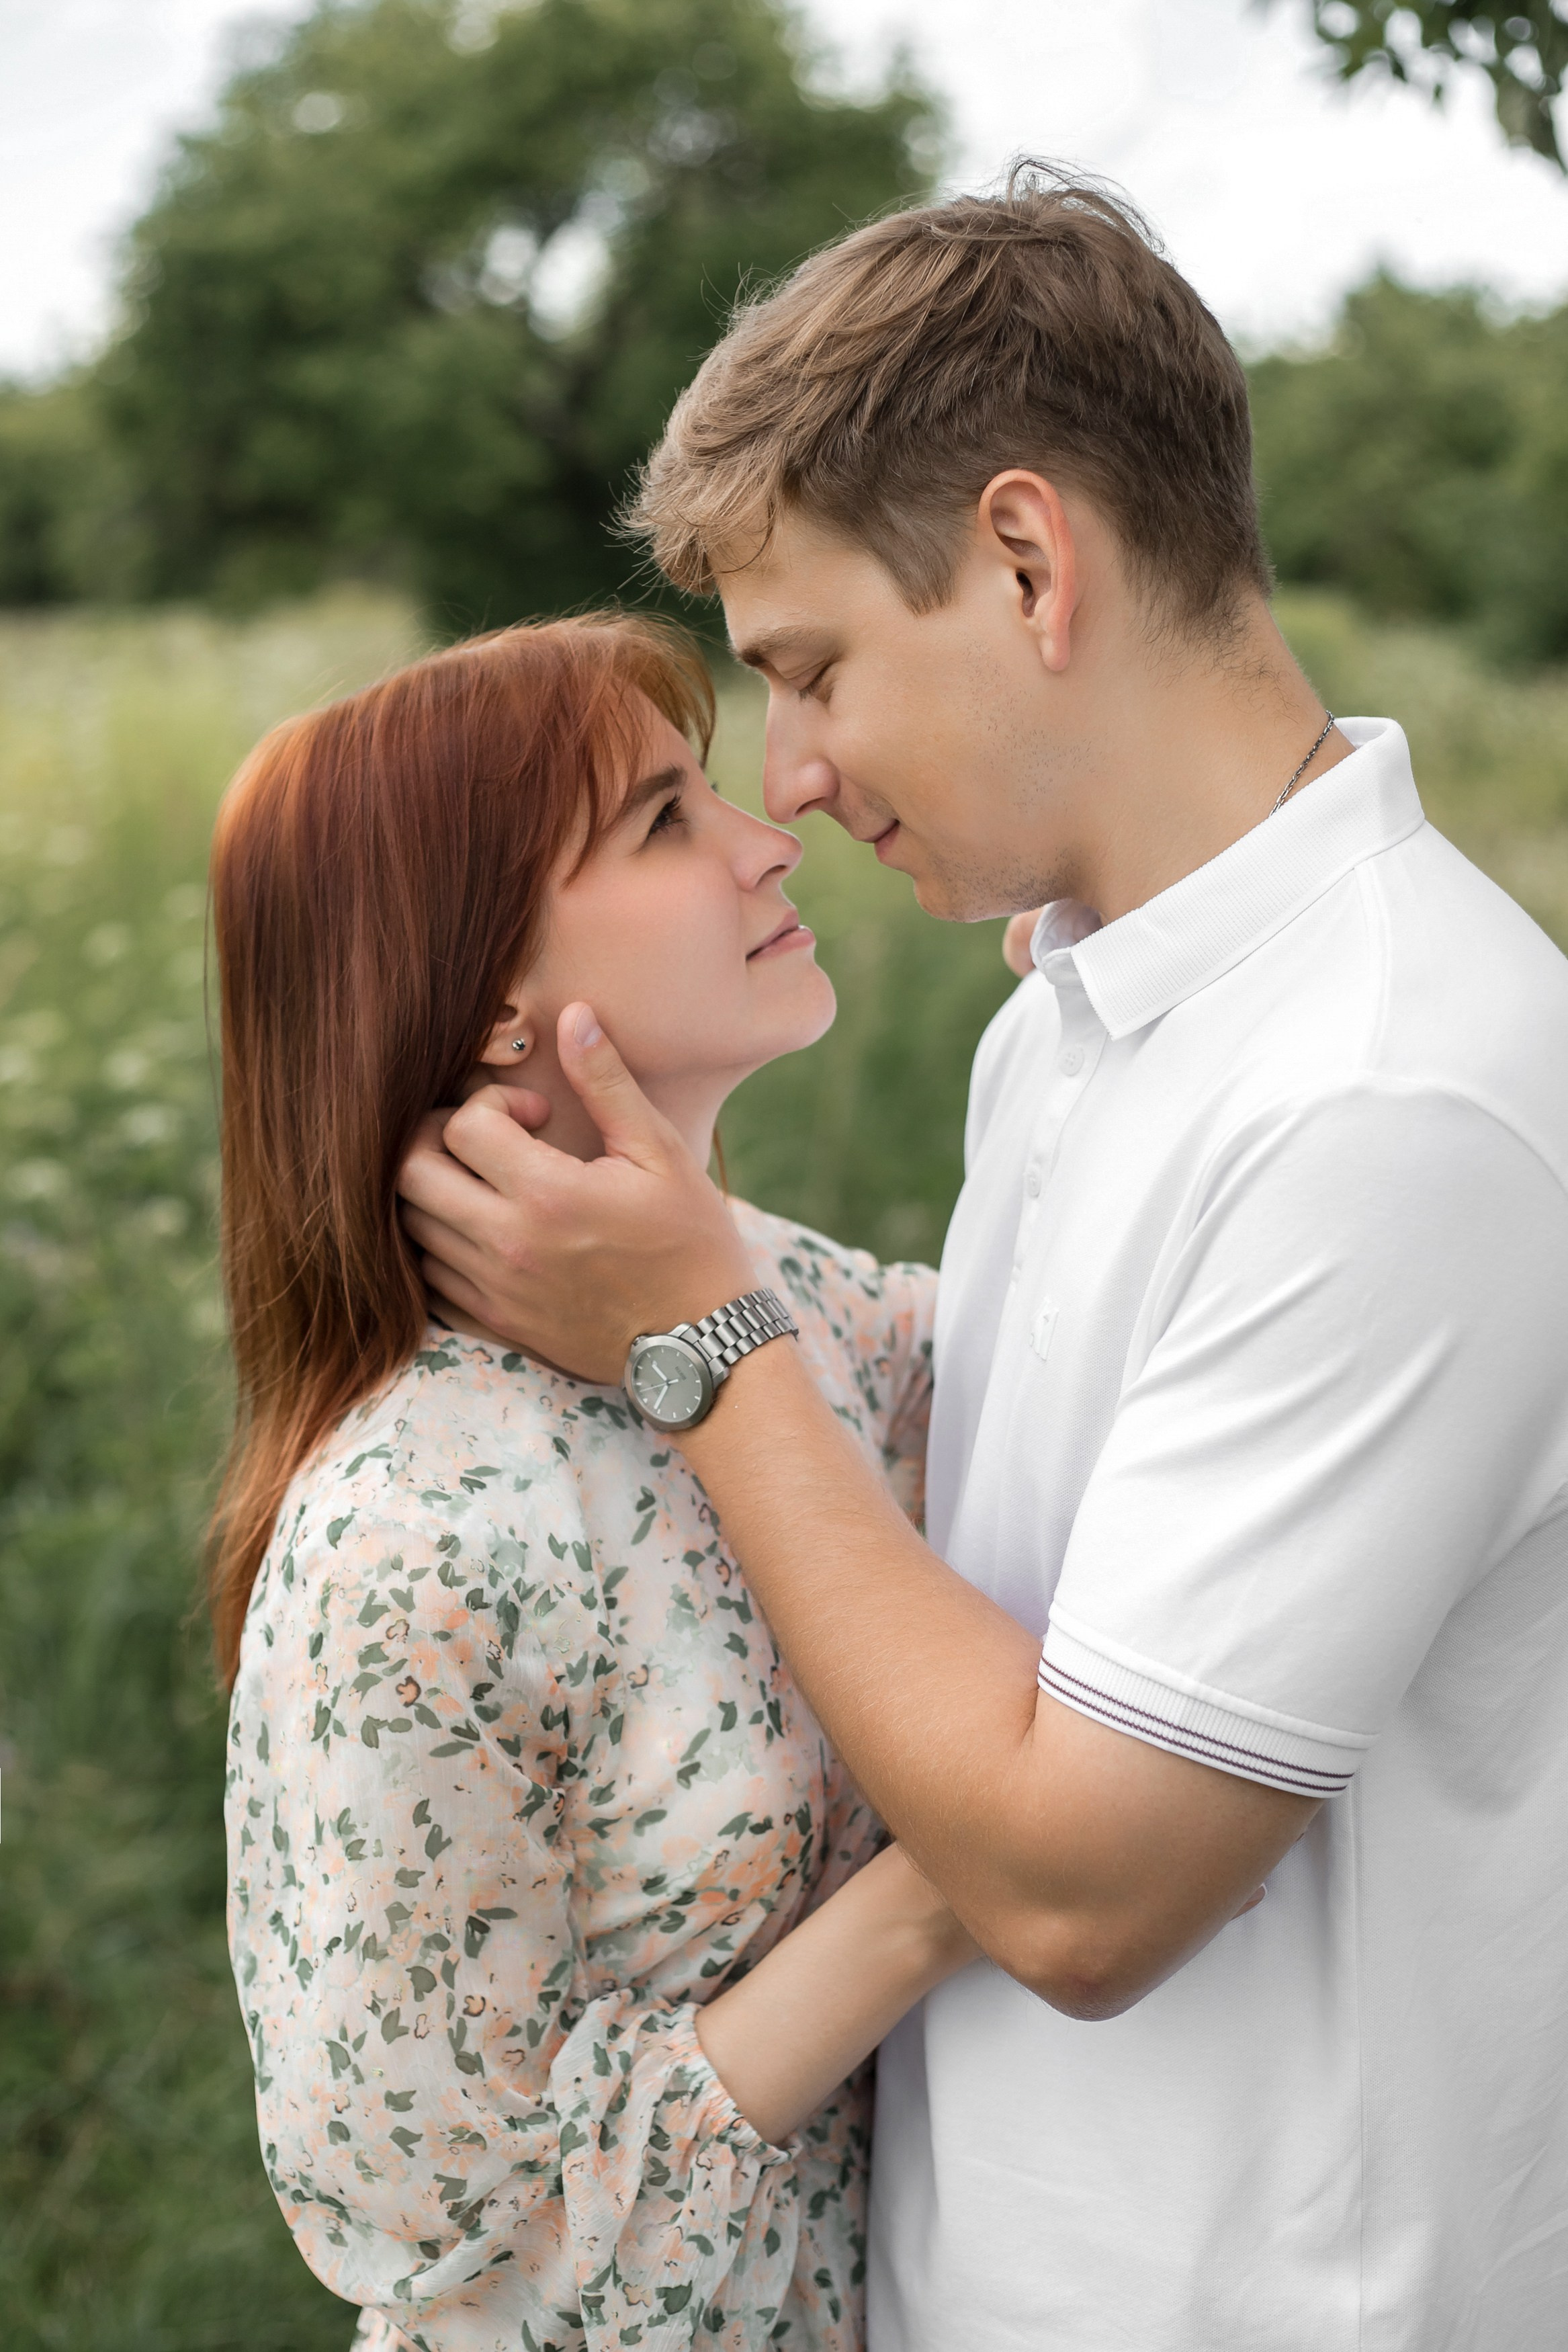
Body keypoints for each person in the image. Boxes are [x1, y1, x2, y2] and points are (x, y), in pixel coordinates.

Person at [397, 173, 1568, 2349]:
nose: (799, 777)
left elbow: (1081, 1880)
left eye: (814, 668)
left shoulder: (1391, 1088)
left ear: (1031, 564)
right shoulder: (1073, 1013)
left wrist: (698, 1338)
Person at [211, 614, 979, 2352]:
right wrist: (944, 1898)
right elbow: (461, 2251)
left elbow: (1062, 1396)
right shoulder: (409, 1533)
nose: (767, 835)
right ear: (486, 994)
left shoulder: (800, 1304)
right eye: (660, 822)